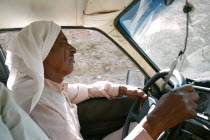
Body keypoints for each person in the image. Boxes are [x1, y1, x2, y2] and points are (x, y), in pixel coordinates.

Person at [6, 21, 199, 140]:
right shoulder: (37, 104)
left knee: (134, 127)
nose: (74, 49)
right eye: (63, 43)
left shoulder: (49, 88)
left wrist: (121, 89)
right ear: (40, 52)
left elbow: (85, 91)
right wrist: (157, 121)